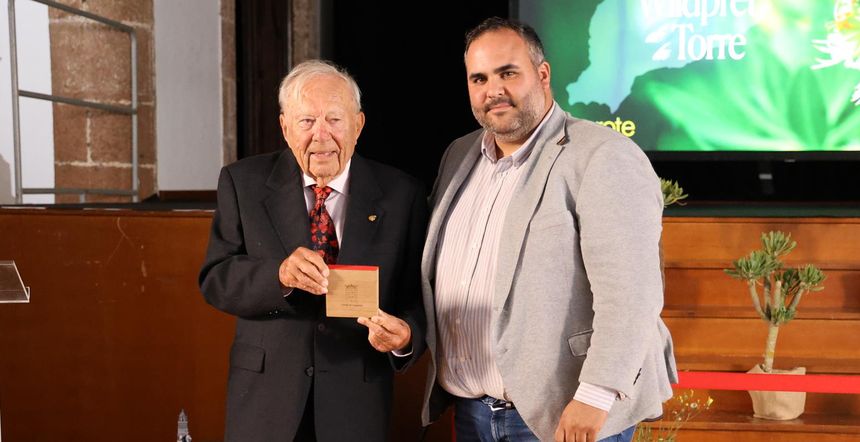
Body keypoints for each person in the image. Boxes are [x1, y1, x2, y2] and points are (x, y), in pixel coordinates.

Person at [420, 18, 677, 442]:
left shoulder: (603, 155)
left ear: (542, 74)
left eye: (507, 73)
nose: (493, 90)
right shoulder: (459, 155)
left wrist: (594, 397)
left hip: (565, 416)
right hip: (472, 414)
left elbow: (632, 294)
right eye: (479, 79)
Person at [199, 60, 427, 442]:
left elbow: (419, 299)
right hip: (265, 402)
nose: (321, 135)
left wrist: (406, 337)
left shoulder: (403, 194)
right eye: (306, 121)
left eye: (334, 119)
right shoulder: (242, 182)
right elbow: (216, 278)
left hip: (355, 404)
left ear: (358, 124)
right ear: (285, 127)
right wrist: (279, 276)